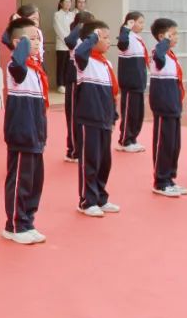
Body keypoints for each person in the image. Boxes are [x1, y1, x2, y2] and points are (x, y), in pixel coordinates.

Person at [2, 18, 49, 244]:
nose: (37, 42)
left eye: (37, 37)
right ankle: (14, 224)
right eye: (31, 38)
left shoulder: (35, 68)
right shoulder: (15, 66)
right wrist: (21, 45)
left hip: (35, 134)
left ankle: (27, 220)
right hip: (21, 133)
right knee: (20, 179)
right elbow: (18, 64)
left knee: (34, 181)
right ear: (18, 43)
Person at [73, 20, 121, 218]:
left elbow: (111, 92)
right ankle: (87, 200)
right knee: (90, 160)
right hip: (89, 118)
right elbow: (79, 51)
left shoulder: (106, 62)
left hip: (104, 118)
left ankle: (101, 196)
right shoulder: (84, 61)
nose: (109, 41)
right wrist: (93, 36)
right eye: (105, 37)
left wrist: (113, 114)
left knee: (104, 161)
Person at [149, 18, 186, 198]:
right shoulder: (158, 52)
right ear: (163, 36)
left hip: (173, 105)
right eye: (174, 33)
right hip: (164, 105)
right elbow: (159, 57)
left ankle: (170, 178)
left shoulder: (170, 55)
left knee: (174, 145)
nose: (177, 37)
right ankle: (161, 181)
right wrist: (165, 40)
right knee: (163, 143)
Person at [62, 12, 94, 163]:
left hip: (86, 78)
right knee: (73, 115)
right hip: (74, 78)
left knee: (83, 114)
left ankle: (82, 147)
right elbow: (68, 40)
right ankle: (73, 150)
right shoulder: (75, 38)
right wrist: (79, 26)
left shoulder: (88, 39)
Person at [116, 12, 149, 153]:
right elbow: (122, 44)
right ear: (131, 22)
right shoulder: (126, 37)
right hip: (130, 82)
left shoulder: (137, 38)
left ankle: (133, 138)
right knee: (129, 112)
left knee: (137, 113)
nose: (142, 25)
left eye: (143, 22)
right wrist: (125, 28)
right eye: (139, 22)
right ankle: (125, 140)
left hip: (139, 82)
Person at [53, 0, 75, 91]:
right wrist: (66, 40)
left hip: (71, 44)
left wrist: (72, 40)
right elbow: (58, 29)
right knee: (61, 65)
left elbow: (74, 28)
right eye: (66, 2)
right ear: (61, 3)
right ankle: (60, 84)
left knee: (69, 65)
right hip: (61, 44)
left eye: (69, 2)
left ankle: (67, 83)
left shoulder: (72, 14)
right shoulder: (57, 14)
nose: (68, 4)